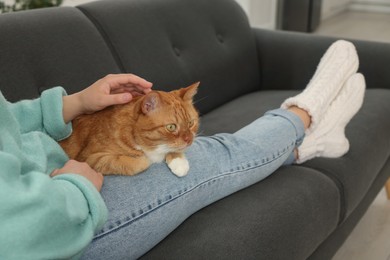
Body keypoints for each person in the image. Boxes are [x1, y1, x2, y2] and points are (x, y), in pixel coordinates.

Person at [0, 40, 365, 260]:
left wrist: (73, 103)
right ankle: (306, 113)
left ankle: (306, 144)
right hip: (56, 221)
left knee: (200, 151)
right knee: (219, 155)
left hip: (53, 183)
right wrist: (72, 190)